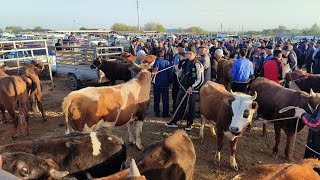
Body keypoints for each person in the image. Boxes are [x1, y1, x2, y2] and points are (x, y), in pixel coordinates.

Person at [165, 51, 204, 131]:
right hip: (183, 87)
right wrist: (177, 70)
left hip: (192, 90)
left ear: (195, 54)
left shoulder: (198, 64)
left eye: (190, 53)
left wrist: (192, 88)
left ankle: (189, 124)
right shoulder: (184, 63)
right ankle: (174, 121)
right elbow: (180, 75)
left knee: (191, 107)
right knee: (179, 104)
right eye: (187, 53)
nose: (188, 55)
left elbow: (200, 79)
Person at [152, 50, 173, 118]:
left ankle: (157, 112)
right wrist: (170, 82)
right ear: (163, 55)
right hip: (165, 83)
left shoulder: (155, 62)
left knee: (156, 98)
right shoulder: (167, 62)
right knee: (165, 99)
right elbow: (170, 74)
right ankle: (165, 113)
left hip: (156, 83)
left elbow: (153, 72)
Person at [171, 43, 185, 113]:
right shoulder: (176, 55)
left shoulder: (184, 56)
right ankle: (175, 108)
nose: (177, 49)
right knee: (174, 94)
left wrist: (177, 69)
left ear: (181, 48)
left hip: (180, 78)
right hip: (175, 76)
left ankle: (178, 110)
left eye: (178, 48)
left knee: (178, 94)